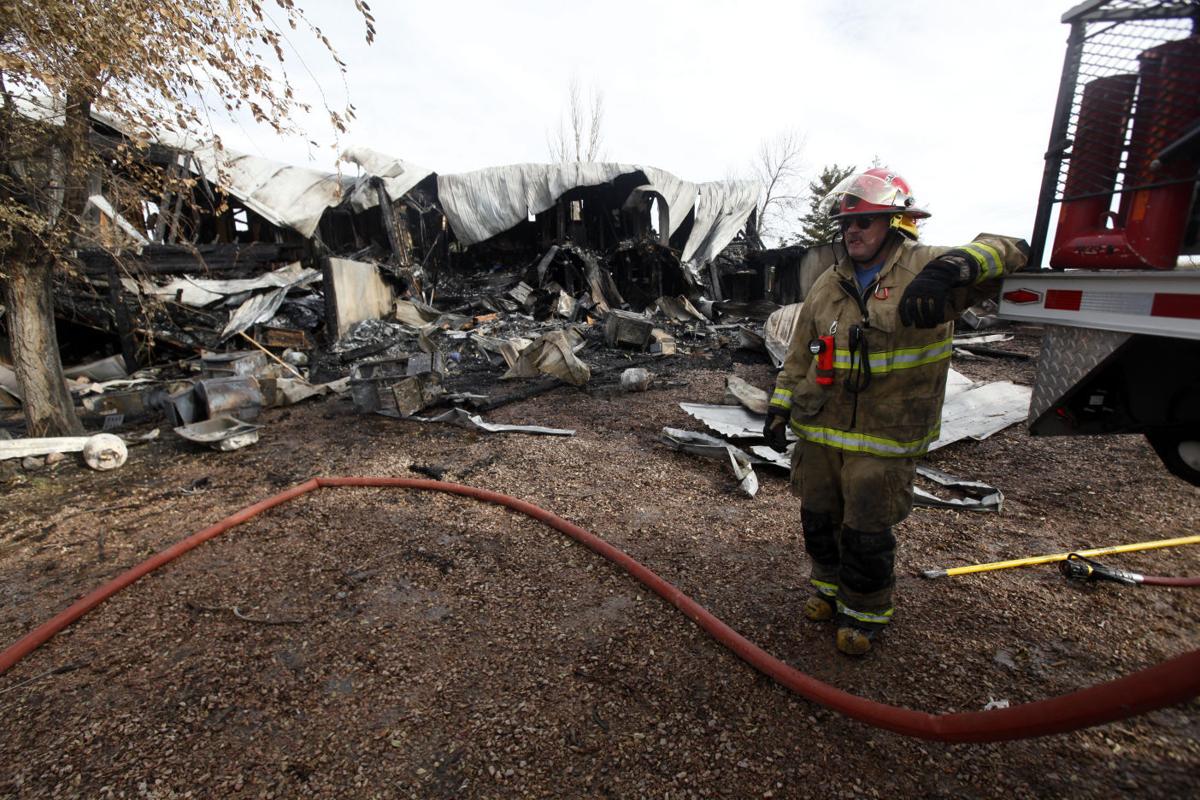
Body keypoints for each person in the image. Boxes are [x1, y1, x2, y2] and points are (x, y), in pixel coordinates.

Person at [763, 168, 1029, 656]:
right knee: (818, 518)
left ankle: (864, 614)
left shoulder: (925, 266)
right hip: (821, 427)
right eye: (848, 224)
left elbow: (1014, 246)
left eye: (865, 222)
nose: (853, 232)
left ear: (897, 222)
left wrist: (956, 269)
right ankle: (826, 588)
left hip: (887, 432)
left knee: (866, 528)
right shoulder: (829, 282)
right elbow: (800, 353)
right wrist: (779, 409)